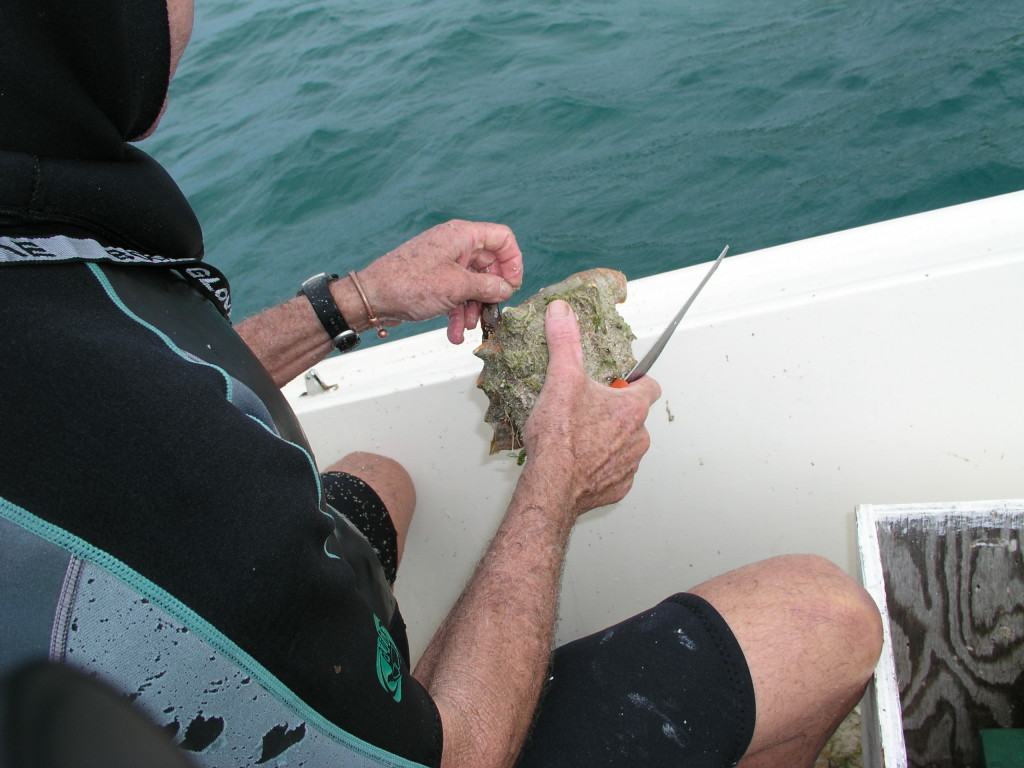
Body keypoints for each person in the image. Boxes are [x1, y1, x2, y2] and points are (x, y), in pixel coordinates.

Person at [0, 1, 883, 767]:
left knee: (383, 479)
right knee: (825, 620)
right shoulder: (138, 438)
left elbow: (150, 377)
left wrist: (353, 302)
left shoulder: (38, 269)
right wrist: (558, 478)